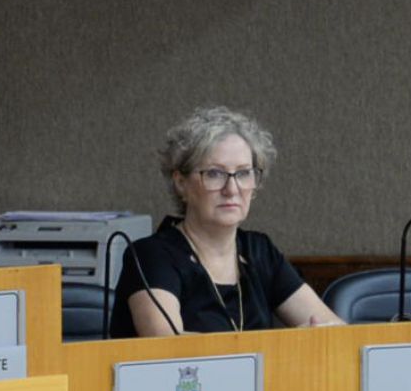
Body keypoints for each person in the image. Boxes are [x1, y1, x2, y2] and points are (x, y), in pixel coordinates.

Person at [119, 105, 341, 337]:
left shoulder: (259, 251)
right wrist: (282, 344)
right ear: (181, 183)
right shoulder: (151, 255)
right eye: (214, 173)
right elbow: (166, 344)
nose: (232, 189)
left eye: (244, 173)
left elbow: (335, 331)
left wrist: (315, 335)